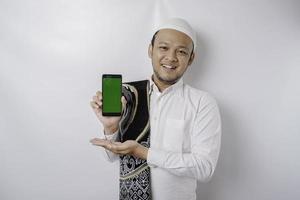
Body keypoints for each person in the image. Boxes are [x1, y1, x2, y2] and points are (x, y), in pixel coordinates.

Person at [90, 18, 221, 200]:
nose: (171, 57)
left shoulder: (202, 103)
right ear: (150, 50)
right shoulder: (129, 95)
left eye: (181, 52)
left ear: (191, 58)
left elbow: (205, 168)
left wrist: (144, 153)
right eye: (164, 48)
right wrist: (111, 128)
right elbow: (112, 158)